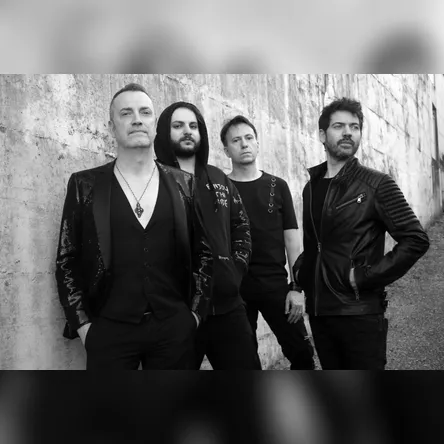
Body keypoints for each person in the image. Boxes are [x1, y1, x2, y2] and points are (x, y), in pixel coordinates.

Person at [55, 83, 212, 370]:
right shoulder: (84, 184)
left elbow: (203, 253)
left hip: (174, 328)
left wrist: (194, 315)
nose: (137, 119)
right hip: (109, 329)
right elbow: (67, 260)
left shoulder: (185, 184)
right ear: (111, 127)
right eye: (126, 113)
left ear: (155, 125)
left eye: (145, 112)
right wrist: (84, 326)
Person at [292, 97, 430, 370]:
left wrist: (366, 276)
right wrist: (297, 283)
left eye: (354, 127)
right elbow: (315, 246)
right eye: (339, 126)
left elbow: (416, 239)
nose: (348, 133)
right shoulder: (311, 188)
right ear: (322, 135)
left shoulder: (376, 184)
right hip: (320, 313)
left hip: (359, 313)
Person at [154, 102, 262, 370]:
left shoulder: (218, 177)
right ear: (165, 132)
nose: (187, 131)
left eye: (193, 126)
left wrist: (235, 269)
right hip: (176, 311)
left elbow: (241, 226)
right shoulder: (152, 178)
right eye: (178, 126)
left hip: (226, 305)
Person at [221, 115, 315, 370]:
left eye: (249, 138)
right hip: (235, 288)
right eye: (236, 140)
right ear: (226, 149)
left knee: (302, 354)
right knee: (242, 360)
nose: (244, 144)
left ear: (257, 143)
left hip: (275, 285)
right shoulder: (221, 188)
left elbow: (292, 240)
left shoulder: (277, 185)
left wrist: (297, 287)